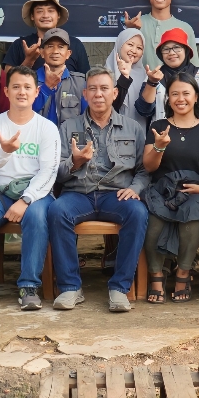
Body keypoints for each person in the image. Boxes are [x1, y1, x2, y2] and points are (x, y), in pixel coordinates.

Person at [47, 68, 150, 312]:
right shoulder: (68, 127)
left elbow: (144, 170)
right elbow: (56, 173)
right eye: (92, 89)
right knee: (57, 211)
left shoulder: (133, 128)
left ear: (114, 93)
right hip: (78, 194)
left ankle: (119, 288)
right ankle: (70, 287)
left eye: (104, 88)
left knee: (137, 213)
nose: (98, 94)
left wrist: (135, 188)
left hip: (116, 195)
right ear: (85, 94)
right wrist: (75, 162)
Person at [0, 66, 61, 311]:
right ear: (6, 91)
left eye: (27, 87)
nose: (22, 92)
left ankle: (29, 286)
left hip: (36, 192)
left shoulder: (47, 127)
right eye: (16, 87)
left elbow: (49, 171)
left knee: (38, 218)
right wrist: (5, 150)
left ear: (37, 91)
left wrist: (26, 199)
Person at [141, 74, 199, 303]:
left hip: (196, 189)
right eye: (174, 94)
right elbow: (149, 167)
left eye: (186, 93)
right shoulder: (158, 127)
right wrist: (159, 147)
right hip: (162, 189)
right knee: (153, 220)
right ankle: (156, 276)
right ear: (168, 98)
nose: (180, 98)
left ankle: (183, 274)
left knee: (193, 216)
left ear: (196, 97)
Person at [124, 0, 199, 69]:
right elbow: (122, 60)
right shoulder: (137, 24)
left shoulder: (185, 28)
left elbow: (194, 67)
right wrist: (130, 31)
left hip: (175, 79)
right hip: (141, 79)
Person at [135, 28, 199, 123]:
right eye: (166, 49)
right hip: (159, 131)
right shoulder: (154, 76)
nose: (171, 53)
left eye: (177, 48)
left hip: (193, 131)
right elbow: (143, 111)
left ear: (186, 50)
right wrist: (151, 83)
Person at [2, 0, 90, 74]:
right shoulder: (19, 45)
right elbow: (8, 79)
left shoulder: (75, 45)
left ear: (58, 15)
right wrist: (29, 60)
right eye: (39, 11)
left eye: (51, 11)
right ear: (32, 16)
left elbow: (86, 80)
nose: (45, 15)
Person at [31, 28, 87, 126]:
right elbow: (23, 113)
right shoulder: (29, 80)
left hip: (69, 136)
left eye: (61, 47)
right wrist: (46, 88)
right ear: (42, 52)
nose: (55, 51)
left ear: (68, 54)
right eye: (50, 46)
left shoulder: (80, 83)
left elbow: (87, 119)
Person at [105, 28, 147, 124]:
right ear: (120, 44)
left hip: (139, 130)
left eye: (139, 48)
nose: (134, 51)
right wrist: (124, 77)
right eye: (130, 45)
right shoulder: (105, 73)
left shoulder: (145, 76)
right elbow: (109, 106)